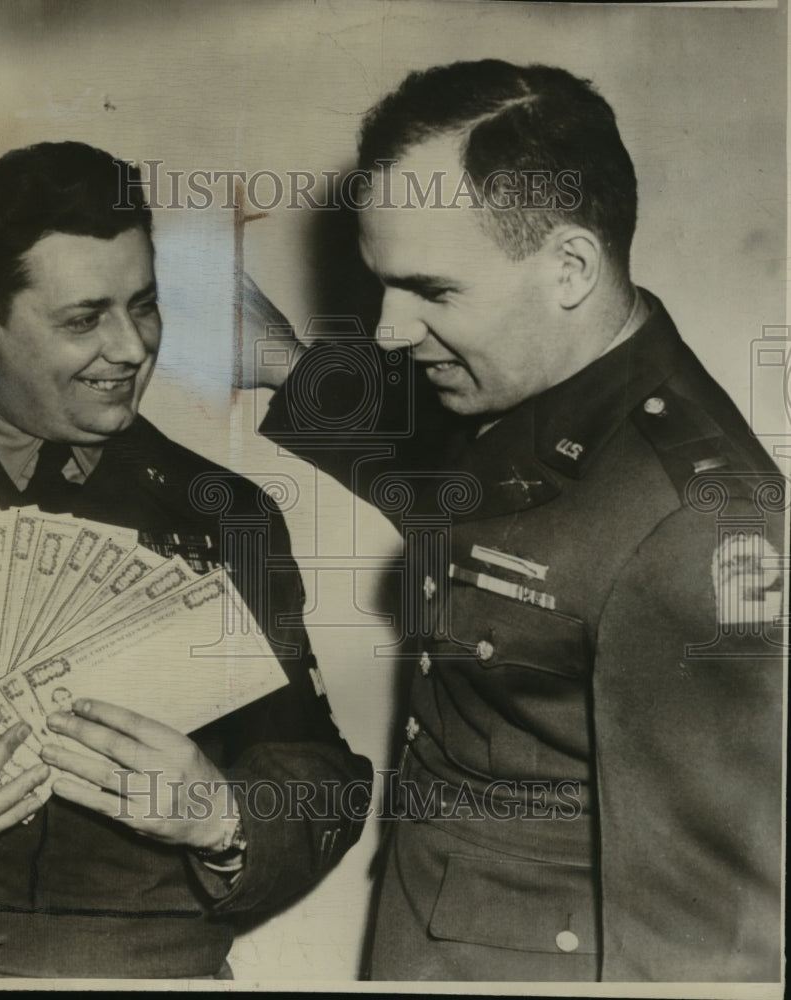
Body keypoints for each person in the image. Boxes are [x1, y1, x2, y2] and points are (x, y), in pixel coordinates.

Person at [250, 60, 785, 981]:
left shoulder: (696, 528)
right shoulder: (524, 387)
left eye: (432, 291)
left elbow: (709, 948)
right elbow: (470, 492)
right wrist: (273, 358)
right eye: (384, 286)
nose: (388, 331)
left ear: (569, 268)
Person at [0, 141, 372, 979]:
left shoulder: (228, 512)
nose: (131, 349)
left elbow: (320, 772)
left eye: (144, 305)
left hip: (145, 967)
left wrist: (224, 815)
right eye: (84, 319)